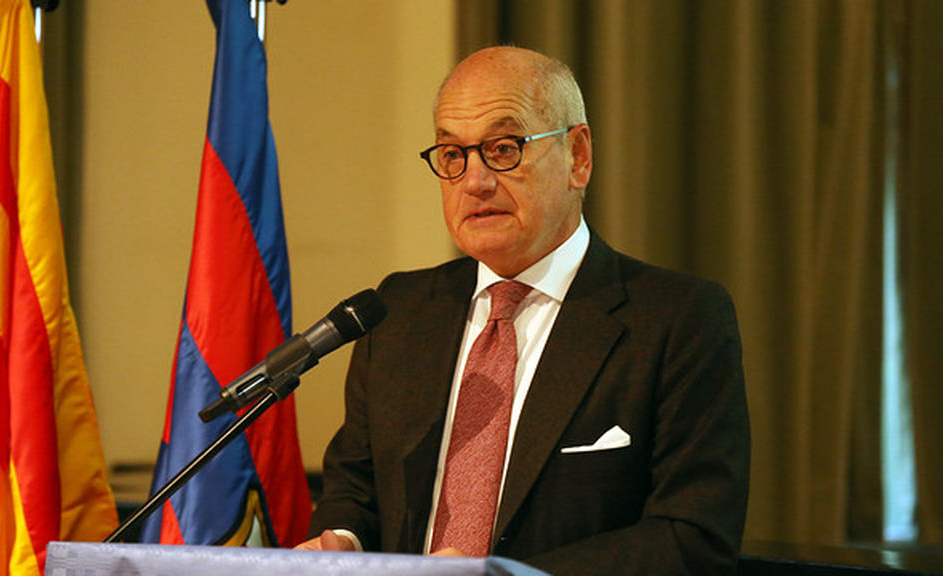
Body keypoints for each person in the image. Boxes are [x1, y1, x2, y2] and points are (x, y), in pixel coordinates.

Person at [297, 46, 750, 575]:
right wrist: (345, 542)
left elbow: (691, 539)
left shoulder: (677, 319)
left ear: (578, 157)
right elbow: (356, 488)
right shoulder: (399, 311)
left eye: (504, 148)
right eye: (453, 155)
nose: (475, 181)